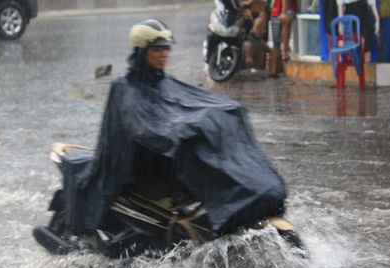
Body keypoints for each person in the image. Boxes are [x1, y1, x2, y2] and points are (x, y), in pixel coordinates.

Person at [66, 19, 287, 237]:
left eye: (166, 49)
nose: (164, 55)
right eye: (157, 49)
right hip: (144, 170)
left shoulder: (163, 80)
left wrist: (227, 111)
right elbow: (144, 128)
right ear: (142, 51)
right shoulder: (125, 87)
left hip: (165, 163)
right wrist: (179, 132)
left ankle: (249, 194)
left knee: (230, 115)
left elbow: (191, 104)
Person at [267, 0, 299, 78]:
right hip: (276, 10)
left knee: (285, 23)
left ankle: (284, 50)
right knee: (276, 42)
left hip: (286, 10)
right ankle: (274, 70)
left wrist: (284, 12)